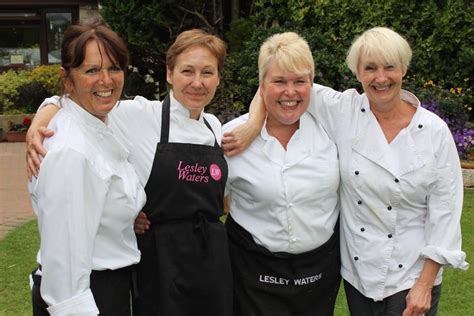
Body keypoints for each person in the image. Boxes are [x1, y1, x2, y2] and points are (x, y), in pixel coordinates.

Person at [228, 27, 469, 316]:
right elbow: (276, 82)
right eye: (370, 68)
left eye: (389, 67)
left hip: (412, 276)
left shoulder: (433, 131)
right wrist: (254, 125)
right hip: (360, 276)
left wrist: (425, 284)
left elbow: (446, 211)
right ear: (357, 72)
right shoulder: (344, 111)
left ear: (404, 68)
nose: (380, 78)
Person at [26, 27, 262, 316]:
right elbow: (72, 102)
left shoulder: (214, 125)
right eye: (187, 71)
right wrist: (40, 121)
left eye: (208, 73)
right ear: (169, 73)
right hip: (161, 264)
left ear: (218, 78)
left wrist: (253, 125)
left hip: (211, 262)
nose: (197, 83)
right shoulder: (137, 116)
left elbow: (276, 88)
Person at [28, 18, 146, 315]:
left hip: (111, 287)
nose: (106, 81)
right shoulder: (71, 151)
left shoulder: (104, 121)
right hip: (87, 297)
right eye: (92, 70)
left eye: (114, 68)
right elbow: (65, 277)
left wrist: (121, 217)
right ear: (67, 78)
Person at [223, 32, 341, 316]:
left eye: (300, 81)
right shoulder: (230, 136)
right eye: (279, 81)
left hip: (320, 271)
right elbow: (210, 201)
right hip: (252, 270)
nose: (291, 92)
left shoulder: (333, 128)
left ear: (312, 84)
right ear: (261, 85)